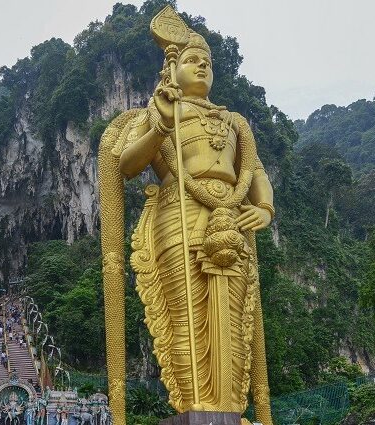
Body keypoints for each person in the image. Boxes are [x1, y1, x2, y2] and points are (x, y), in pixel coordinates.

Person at [98, 7, 273, 424]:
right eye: (194, 60)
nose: (203, 68)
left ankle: (230, 408)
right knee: (186, 314)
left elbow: (256, 171)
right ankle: (195, 406)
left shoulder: (234, 121)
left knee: (233, 318)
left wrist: (264, 208)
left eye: (208, 63)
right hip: (178, 213)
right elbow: (126, 164)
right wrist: (159, 123)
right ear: (171, 68)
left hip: (231, 218)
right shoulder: (158, 114)